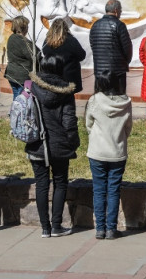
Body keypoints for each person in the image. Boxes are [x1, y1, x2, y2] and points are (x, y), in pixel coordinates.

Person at [26, 56, 79, 238]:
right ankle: (56, 225)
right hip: (60, 144)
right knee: (60, 183)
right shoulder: (65, 91)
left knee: (41, 184)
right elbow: (69, 121)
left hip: (36, 143)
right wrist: (73, 143)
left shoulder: (31, 87)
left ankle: (45, 228)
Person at [85, 70, 133, 239]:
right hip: (117, 152)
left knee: (98, 190)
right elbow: (128, 128)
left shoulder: (94, 100)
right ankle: (111, 229)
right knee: (113, 190)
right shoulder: (126, 102)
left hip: (97, 151)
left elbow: (88, 124)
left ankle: (100, 229)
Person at [89, 0, 133, 95]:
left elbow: (93, 45)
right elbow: (127, 48)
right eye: (120, 10)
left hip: (100, 71)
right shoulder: (119, 25)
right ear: (116, 10)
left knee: (101, 99)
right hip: (117, 72)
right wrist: (125, 62)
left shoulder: (95, 25)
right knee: (118, 100)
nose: (121, 12)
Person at [42, 17, 88, 93]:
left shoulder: (48, 41)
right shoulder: (70, 40)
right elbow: (81, 55)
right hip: (69, 78)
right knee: (69, 101)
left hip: (53, 77)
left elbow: (44, 52)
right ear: (65, 28)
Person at [4, 15, 39, 98]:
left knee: (17, 97)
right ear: (24, 27)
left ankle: (15, 110)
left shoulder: (11, 38)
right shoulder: (22, 41)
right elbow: (34, 56)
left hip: (12, 74)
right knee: (23, 99)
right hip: (22, 76)